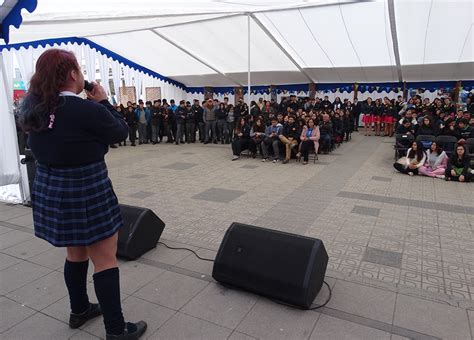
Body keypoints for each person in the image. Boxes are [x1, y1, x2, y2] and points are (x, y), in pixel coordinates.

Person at [19, 49, 147, 339]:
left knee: (75, 253)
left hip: (52, 187)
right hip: (87, 187)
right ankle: (116, 330)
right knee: (104, 258)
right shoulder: (84, 108)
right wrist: (103, 102)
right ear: (74, 74)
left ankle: (79, 310)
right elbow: (120, 133)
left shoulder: (33, 109)